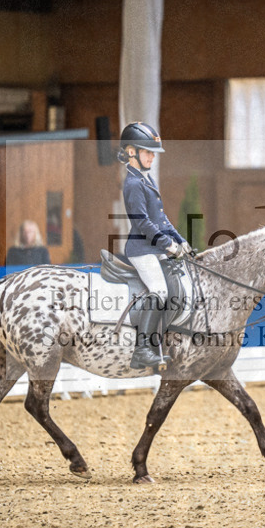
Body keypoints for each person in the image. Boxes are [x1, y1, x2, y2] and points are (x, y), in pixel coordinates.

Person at [119, 122, 192, 370]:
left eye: (153, 153)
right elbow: (143, 224)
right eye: (147, 151)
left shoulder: (146, 180)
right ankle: (142, 351)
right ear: (131, 152)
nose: (152, 157)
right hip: (141, 250)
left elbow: (162, 220)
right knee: (159, 291)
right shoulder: (133, 184)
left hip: (154, 247)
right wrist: (168, 245)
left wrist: (180, 240)